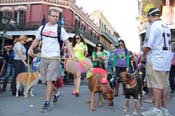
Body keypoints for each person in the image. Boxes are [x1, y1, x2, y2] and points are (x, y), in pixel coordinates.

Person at [28, 9, 76, 112]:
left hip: (55, 57)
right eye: (53, 16)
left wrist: (72, 54)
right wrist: (31, 48)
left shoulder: (60, 29)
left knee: (50, 80)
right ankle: (56, 92)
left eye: (57, 17)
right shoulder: (42, 28)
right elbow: (37, 40)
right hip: (44, 57)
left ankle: (46, 103)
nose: (55, 18)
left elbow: (67, 43)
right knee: (45, 81)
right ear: (49, 16)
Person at [141, 8, 173, 116]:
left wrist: (143, 56)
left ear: (150, 16)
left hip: (156, 59)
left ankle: (156, 110)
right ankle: (164, 109)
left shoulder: (153, 26)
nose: (148, 19)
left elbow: (149, 45)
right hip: (165, 60)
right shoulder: (165, 26)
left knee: (156, 86)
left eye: (148, 17)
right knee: (164, 86)